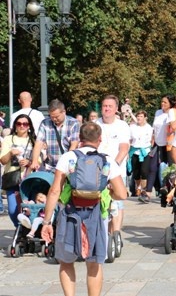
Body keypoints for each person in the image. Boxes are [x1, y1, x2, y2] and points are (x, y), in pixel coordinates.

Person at [41, 122, 127, 296]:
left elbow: (54, 191)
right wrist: (109, 192)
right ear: (100, 139)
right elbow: (122, 194)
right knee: (95, 263)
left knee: (66, 261)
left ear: (80, 139)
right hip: (96, 215)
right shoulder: (107, 160)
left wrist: (46, 221)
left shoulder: (68, 157)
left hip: (69, 214)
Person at [96, 95, 131, 241]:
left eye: (110, 106)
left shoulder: (122, 125)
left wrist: (113, 167)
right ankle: (103, 233)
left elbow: (124, 148)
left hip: (117, 170)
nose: (107, 109)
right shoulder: (95, 125)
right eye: (105, 106)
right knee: (100, 202)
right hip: (97, 171)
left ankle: (115, 235)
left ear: (116, 109)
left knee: (116, 202)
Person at [0, 115, 36, 227]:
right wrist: (10, 153)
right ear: (15, 125)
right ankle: (18, 228)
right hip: (12, 178)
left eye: (25, 124)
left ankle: (29, 229)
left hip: (29, 179)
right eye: (19, 123)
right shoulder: (8, 139)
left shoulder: (34, 141)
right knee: (12, 210)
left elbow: (38, 162)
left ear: (29, 126)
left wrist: (29, 162)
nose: (22, 126)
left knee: (30, 208)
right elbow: (2, 160)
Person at [29, 99, 80, 172]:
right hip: (50, 166)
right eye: (52, 117)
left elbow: (74, 145)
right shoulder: (45, 123)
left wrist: (68, 163)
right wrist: (35, 161)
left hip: (66, 166)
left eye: (57, 116)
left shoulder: (73, 123)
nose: (54, 119)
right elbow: (38, 143)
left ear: (64, 112)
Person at [145, 94, 174, 202]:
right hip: (157, 144)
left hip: (168, 145)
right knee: (152, 167)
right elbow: (155, 129)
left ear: (170, 104)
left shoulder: (172, 113)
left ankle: (169, 192)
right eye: (161, 102)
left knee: (169, 170)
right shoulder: (158, 113)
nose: (162, 104)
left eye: (165, 102)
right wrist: (153, 140)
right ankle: (147, 193)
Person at [129, 110, 153, 202]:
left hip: (145, 152)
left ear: (145, 118)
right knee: (136, 173)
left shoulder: (148, 128)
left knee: (144, 171)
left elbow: (151, 140)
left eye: (141, 116)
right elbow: (129, 140)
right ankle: (138, 186)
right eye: (138, 116)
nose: (139, 118)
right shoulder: (132, 127)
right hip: (135, 151)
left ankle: (143, 191)